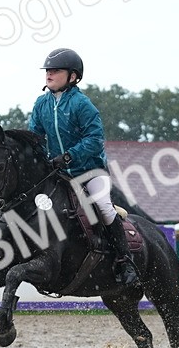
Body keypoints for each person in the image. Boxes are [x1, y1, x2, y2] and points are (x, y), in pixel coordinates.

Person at [28, 47, 138, 286]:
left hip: (89, 172)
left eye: (55, 71)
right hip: (58, 174)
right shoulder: (41, 104)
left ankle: (125, 262)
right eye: (48, 70)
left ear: (73, 76)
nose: (49, 74)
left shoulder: (81, 104)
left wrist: (68, 157)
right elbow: (34, 136)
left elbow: (94, 139)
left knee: (104, 206)